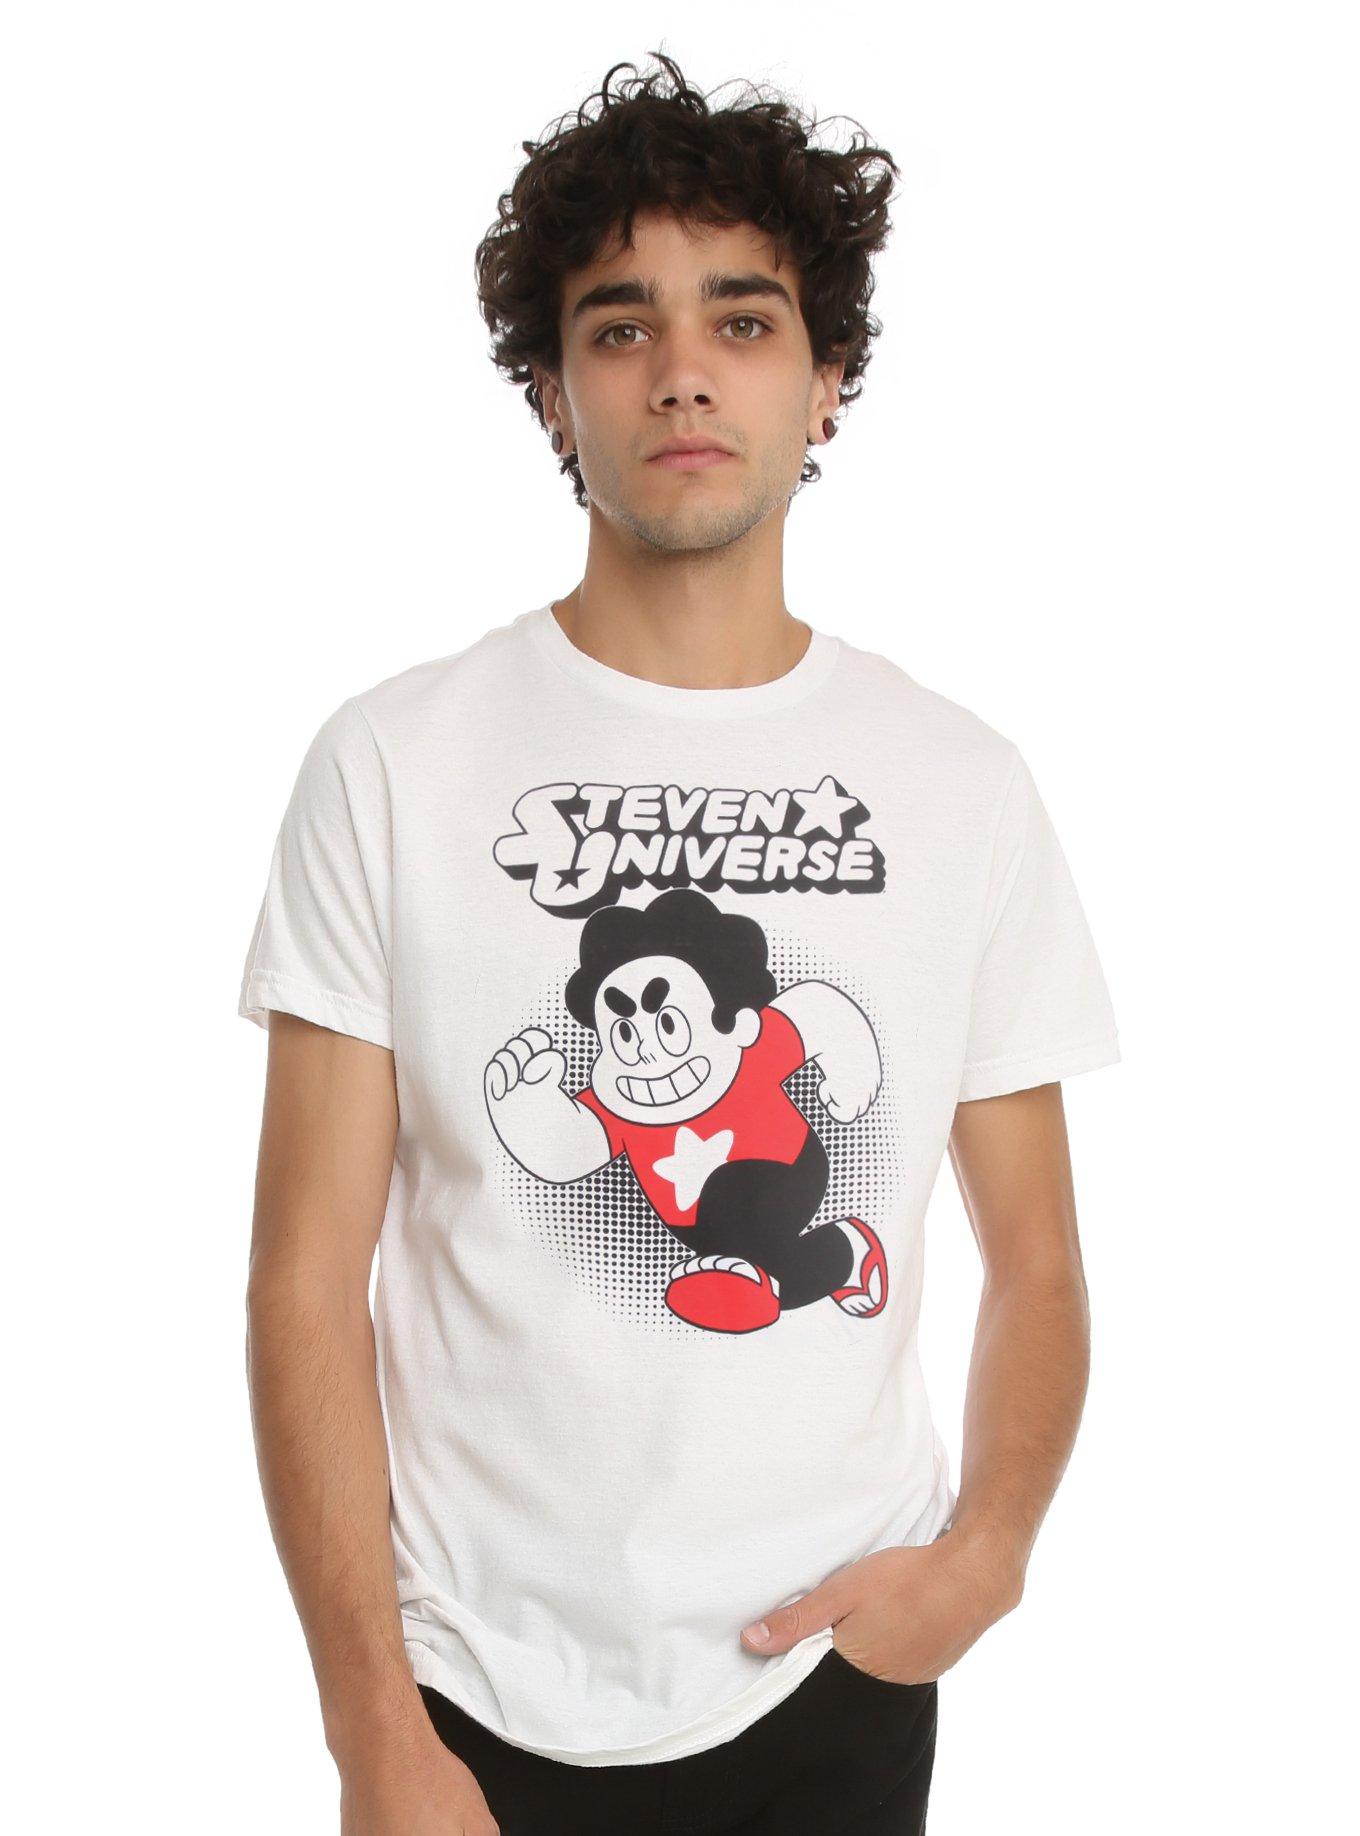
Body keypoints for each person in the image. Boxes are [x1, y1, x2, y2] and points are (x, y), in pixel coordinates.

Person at [240, 52, 1119, 1836]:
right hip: (469, 1688)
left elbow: (1038, 1260)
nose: (684, 371)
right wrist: (371, 1731)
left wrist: (986, 1561)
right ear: (551, 392)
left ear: (826, 380)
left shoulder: (959, 783)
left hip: (831, 1670)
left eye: (744, 318)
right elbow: (300, 1281)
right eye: (621, 325)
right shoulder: (394, 762)